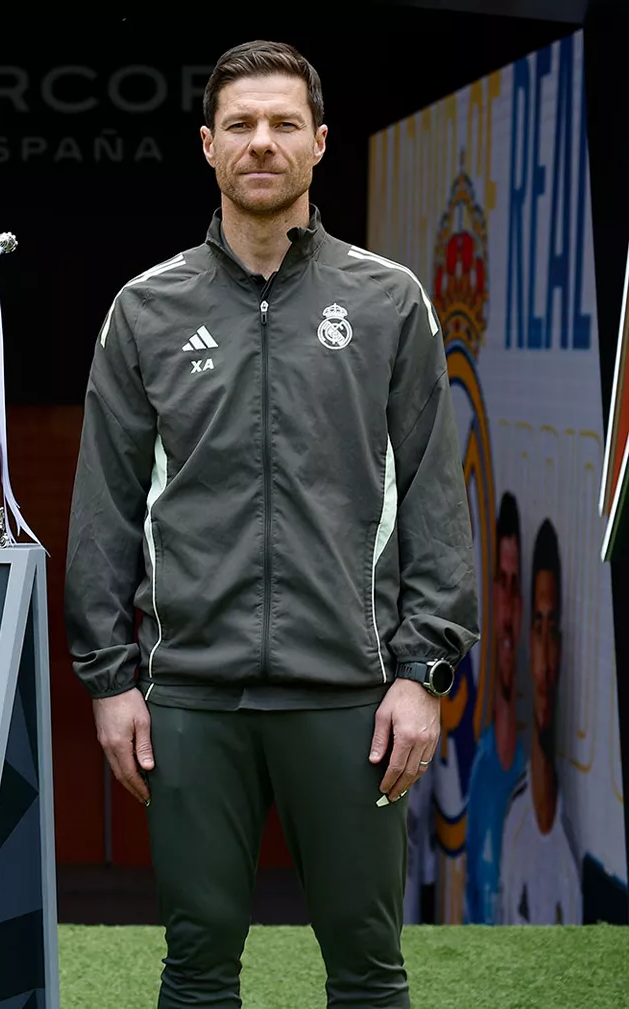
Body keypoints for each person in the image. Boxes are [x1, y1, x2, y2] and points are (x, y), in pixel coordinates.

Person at [64, 40, 478, 1008]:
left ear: (320, 143)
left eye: (284, 124)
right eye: (241, 125)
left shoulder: (387, 302)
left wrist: (424, 675)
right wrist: (109, 682)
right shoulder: (145, 310)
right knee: (197, 965)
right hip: (192, 697)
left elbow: (433, 496)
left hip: (350, 692)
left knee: (368, 969)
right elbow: (104, 508)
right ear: (207, 146)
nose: (263, 143)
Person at [498, 518, 580, 924]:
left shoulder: (573, 833)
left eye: (554, 629)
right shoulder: (512, 821)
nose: (546, 660)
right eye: (538, 627)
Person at [463, 491, 527, 924]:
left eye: (515, 584)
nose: (505, 610)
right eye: (499, 583)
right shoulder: (481, 764)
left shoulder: (536, 779)